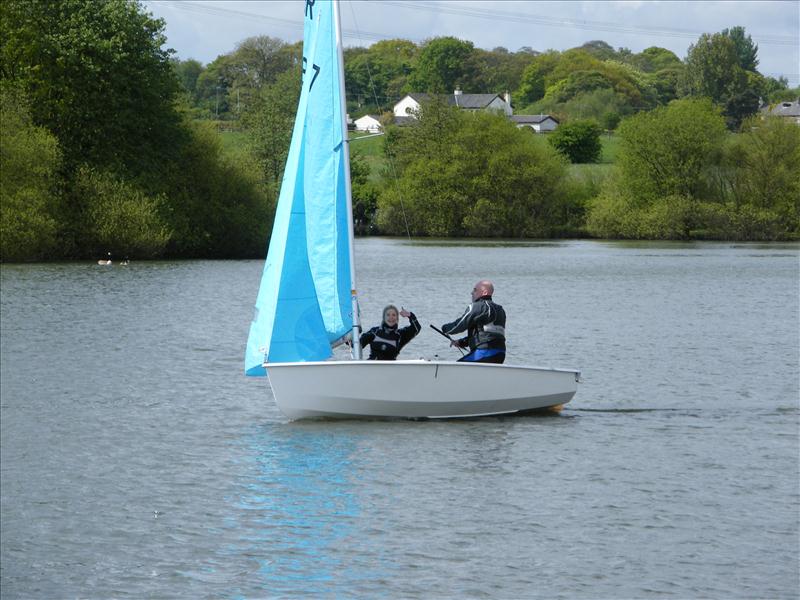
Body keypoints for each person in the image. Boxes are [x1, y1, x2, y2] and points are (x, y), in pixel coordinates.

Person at [441, 280, 506, 364]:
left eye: (475, 290)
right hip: (500, 354)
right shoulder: (500, 310)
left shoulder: (477, 307)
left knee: (454, 370)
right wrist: (462, 342)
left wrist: (445, 328)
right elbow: (488, 334)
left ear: (485, 292)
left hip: (484, 353)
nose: (471, 293)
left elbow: (459, 325)